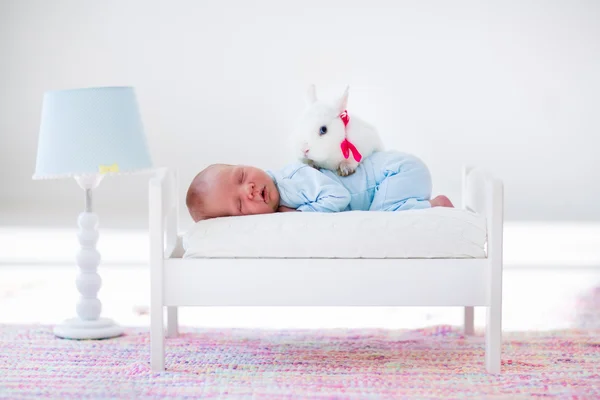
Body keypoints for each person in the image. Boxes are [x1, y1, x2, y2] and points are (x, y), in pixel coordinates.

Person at [186, 150, 453, 222]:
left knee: (380, 217)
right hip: (397, 176)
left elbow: (338, 196)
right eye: (241, 204)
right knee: (382, 211)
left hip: (397, 172)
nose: (250, 189)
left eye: (242, 176)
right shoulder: (281, 198)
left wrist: (301, 216)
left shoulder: (292, 180)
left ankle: (433, 206)